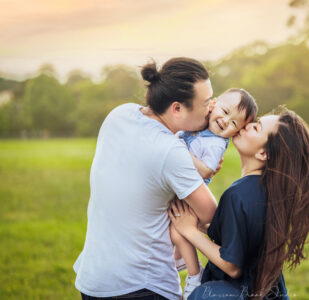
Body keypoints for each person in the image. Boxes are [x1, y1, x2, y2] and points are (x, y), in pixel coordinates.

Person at [73, 57, 219, 300]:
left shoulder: (120, 115)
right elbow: (210, 215)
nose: (212, 108)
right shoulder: (170, 152)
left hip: (93, 280)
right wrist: (205, 168)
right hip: (141, 287)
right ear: (177, 108)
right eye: (206, 103)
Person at [168, 109, 309, 299]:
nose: (246, 125)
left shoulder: (238, 195)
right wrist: (205, 227)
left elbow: (232, 266)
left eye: (256, 127)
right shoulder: (269, 192)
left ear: (263, 153)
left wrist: (190, 231)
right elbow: (244, 240)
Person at [171, 88, 258, 299]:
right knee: (172, 235)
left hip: (190, 194)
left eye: (234, 123)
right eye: (225, 111)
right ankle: (178, 262)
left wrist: (175, 148)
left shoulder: (217, 143)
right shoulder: (202, 125)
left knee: (176, 233)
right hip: (178, 185)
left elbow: (207, 169)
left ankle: (193, 275)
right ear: (214, 103)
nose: (226, 121)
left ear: (235, 132)